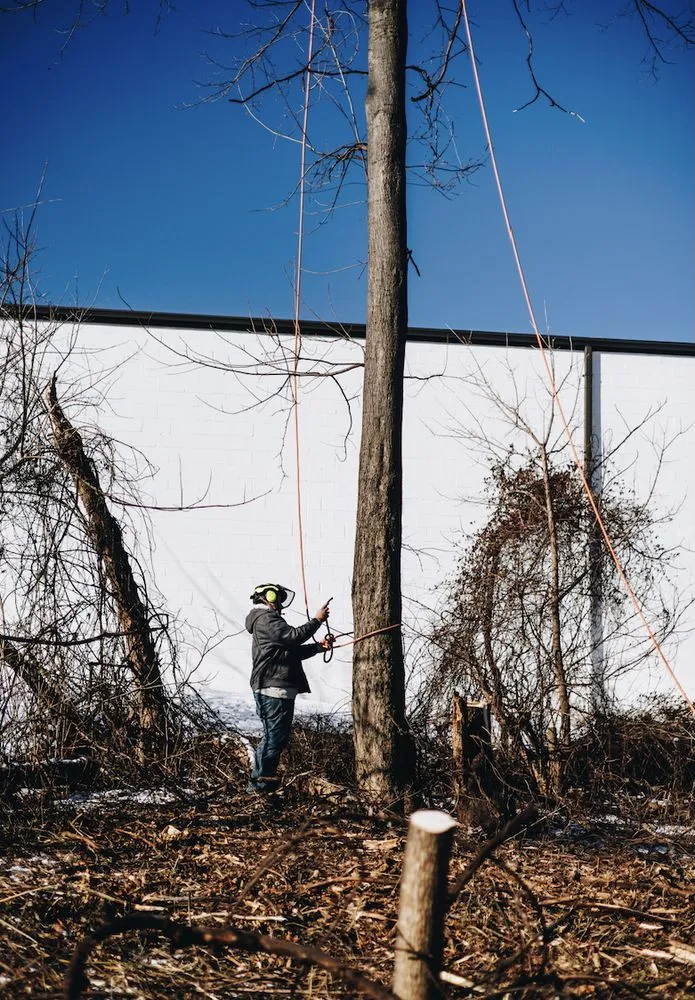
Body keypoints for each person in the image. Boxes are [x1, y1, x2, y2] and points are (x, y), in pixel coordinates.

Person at [245, 583, 333, 794]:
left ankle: (262, 785)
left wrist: (318, 647)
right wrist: (317, 620)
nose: (281, 604)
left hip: (277, 687)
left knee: (276, 737)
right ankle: (260, 788)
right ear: (269, 597)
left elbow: (290, 651)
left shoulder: (268, 621)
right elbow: (293, 637)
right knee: (273, 738)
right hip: (272, 687)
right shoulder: (266, 619)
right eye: (279, 599)